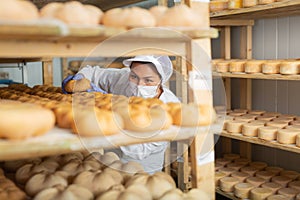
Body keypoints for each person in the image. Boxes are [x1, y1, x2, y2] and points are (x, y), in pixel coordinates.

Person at [62, 55, 180, 173]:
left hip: (142, 170)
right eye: (134, 77)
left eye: (148, 80)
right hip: (109, 161)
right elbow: (92, 72)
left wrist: (109, 118)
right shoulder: (123, 78)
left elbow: (140, 151)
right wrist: (80, 78)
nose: (139, 84)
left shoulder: (169, 107)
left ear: (161, 80)